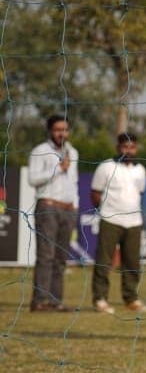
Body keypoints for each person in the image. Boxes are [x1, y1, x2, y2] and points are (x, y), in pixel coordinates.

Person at [90, 132, 146, 314]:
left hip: (134, 222)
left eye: (132, 147)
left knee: (132, 262)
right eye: (125, 147)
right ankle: (100, 299)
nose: (129, 151)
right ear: (118, 148)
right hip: (110, 219)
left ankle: (131, 298)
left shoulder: (141, 170)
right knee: (104, 261)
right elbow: (95, 193)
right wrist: (106, 210)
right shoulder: (106, 167)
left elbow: (140, 193)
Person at [27, 114, 80, 312]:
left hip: (68, 209)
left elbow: (74, 181)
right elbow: (32, 179)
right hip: (48, 206)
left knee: (61, 258)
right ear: (50, 131)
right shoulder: (40, 151)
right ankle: (40, 301)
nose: (61, 134)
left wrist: (75, 205)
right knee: (46, 255)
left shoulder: (73, 152)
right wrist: (58, 168)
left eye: (64, 129)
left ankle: (56, 301)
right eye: (57, 130)